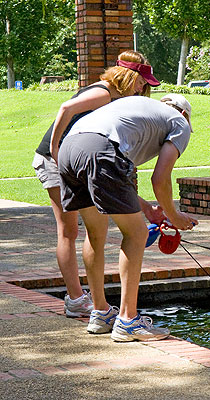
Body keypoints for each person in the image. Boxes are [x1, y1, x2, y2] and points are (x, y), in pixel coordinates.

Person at [57, 94, 198, 342]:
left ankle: (100, 313)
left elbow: (117, 180)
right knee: (137, 234)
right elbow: (160, 179)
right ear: (184, 114)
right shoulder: (179, 123)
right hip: (100, 149)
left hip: (69, 149)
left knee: (95, 232)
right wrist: (175, 216)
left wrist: (147, 210)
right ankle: (128, 320)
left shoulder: (139, 113)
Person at [32, 50, 160, 318]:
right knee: (68, 230)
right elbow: (65, 109)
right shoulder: (104, 92)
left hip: (76, 158)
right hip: (55, 159)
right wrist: (55, 148)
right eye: (141, 80)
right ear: (128, 75)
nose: (143, 86)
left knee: (94, 229)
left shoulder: (117, 98)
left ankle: (94, 303)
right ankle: (76, 298)